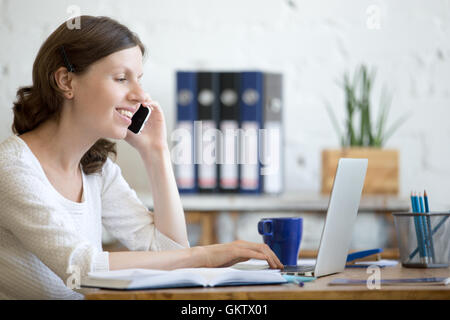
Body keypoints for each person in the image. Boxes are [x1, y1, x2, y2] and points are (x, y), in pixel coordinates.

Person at [0, 15, 282, 300]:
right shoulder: (12, 168)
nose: (140, 95)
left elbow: (171, 256)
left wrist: (156, 152)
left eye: (139, 80)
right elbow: (82, 267)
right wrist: (206, 255)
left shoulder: (97, 170)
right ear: (66, 81)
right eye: (122, 78)